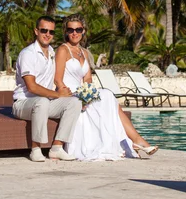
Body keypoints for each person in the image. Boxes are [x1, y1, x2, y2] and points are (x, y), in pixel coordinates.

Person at [54, 13, 159, 161]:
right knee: (107, 96)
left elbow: (88, 78)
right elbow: (58, 80)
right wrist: (75, 99)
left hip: (82, 93)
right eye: (71, 30)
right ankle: (136, 140)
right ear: (66, 31)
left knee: (107, 95)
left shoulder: (84, 52)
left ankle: (136, 140)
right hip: (70, 94)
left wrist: (88, 94)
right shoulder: (63, 50)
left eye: (78, 29)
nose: (74, 33)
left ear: (83, 31)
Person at [13, 15, 82, 162]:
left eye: (51, 32)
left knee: (74, 103)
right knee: (42, 102)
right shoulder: (28, 54)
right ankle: (36, 149)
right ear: (36, 31)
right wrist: (58, 94)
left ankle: (57, 147)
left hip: (44, 102)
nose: (47, 34)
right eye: (44, 30)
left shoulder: (51, 52)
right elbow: (31, 87)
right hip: (23, 103)